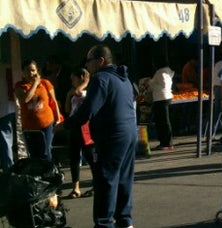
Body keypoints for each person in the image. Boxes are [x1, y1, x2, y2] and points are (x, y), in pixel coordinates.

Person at [64, 45, 138, 228]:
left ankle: (104, 223)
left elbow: (88, 110)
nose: (87, 66)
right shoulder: (124, 78)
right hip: (129, 132)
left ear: (100, 61)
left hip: (111, 135)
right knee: (123, 178)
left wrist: (67, 124)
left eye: (89, 61)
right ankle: (125, 221)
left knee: (106, 179)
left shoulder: (101, 79)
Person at [14, 60, 61, 162]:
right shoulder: (19, 86)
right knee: (33, 153)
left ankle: (49, 174)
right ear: (23, 72)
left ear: (37, 71)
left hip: (46, 123)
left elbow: (53, 101)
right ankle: (37, 175)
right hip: (29, 126)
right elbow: (25, 99)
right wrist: (35, 84)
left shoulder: (45, 83)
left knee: (46, 151)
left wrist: (57, 118)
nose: (30, 73)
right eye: (27, 71)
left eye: (33, 70)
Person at [64, 67, 95, 199]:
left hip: (86, 127)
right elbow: (67, 109)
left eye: (74, 79)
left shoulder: (87, 91)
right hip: (74, 125)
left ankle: (96, 184)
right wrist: (68, 95)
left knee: (90, 156)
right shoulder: (74, 92)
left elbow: (77, 92)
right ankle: (75, 187)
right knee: (74, 157)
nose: (72, 82)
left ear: (82, 77)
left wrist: (85, 82)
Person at [149, 59, 175, 151]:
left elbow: (164, 84)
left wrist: (150, 83)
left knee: (162, 121)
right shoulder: (168, 70)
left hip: (161, 98)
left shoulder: (161, 72)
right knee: (164, 121)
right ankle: (166, 142)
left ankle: (166, 143)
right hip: (166, 97)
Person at [0, 63, 16, 172]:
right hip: (7, 108)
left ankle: (8, 169)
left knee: (6, 141)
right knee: (6, 141)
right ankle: (8, 169)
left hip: (5, 108)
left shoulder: (7, 69)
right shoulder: (7, 68)